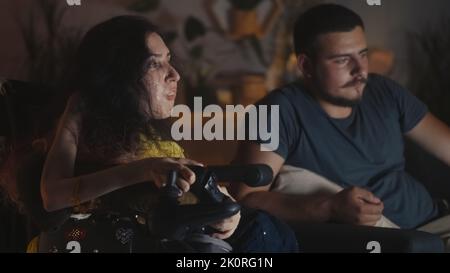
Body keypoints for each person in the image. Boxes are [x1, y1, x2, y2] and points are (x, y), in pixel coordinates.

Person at [25, 15, 297, 253]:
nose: (175, 75)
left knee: (260, 225)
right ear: (118, 77)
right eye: (155, 64)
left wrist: (225, 211)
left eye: (169, 60)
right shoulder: (79, 133)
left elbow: (194, 191)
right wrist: (144, 169)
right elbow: (53, 197)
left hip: (202, 236)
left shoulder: (149, 137)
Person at [229, 4, 450, 249]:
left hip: (439, 219)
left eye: (363, 54)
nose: (360, 71)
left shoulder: (384, 91)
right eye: (343, 59)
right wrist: (328, 207)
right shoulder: (279, 111)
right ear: (306, 66)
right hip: (400, 239)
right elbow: (246, 198)